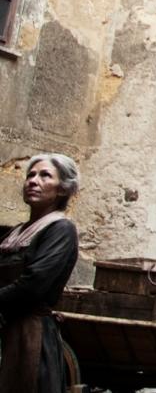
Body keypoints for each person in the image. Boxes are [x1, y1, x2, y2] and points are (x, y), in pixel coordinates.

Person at [0, 153, 81, 393]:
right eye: (30, 175)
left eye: (45, 175)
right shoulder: (14, 233)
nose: (33, 181)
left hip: (29, 336)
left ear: (63, 189)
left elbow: (33, 285)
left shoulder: (61, 230)